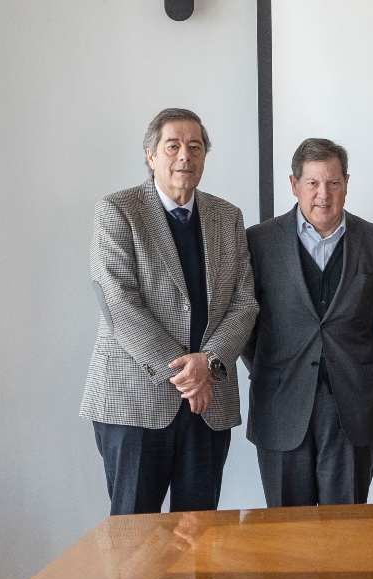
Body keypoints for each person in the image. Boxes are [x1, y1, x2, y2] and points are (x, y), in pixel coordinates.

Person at [80, 108, 258, 515]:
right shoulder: (118, 210)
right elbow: (118, 302)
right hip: (135, 401)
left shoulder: (227, 217)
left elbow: (244, 302)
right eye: (173, 146)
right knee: (134, 535)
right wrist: (187, 374)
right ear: (151, 154)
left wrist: (209, 362)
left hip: (207, 404)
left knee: (199, 536)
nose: (184, 156)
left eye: (195, 147)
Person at [243, 138, 373, 507]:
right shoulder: (258, 242)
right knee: (286, 529)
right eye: (312, 183)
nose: (323, 194)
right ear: (294, 185)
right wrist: (273, 367)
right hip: (280, 401)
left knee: (346, 528)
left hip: (353, 403)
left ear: (347, 183)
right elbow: (244, 320)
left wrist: (353, 362)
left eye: (333, 182)